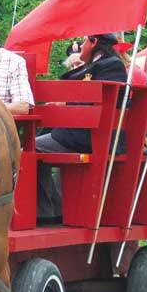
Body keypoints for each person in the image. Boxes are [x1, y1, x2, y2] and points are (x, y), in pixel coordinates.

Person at [35, 33, 128, 223]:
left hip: (91, 137)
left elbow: (103, 102)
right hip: (79, 133)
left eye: (85, 41)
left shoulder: (111, 65)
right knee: (32, 143)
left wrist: (64, 104)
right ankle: (52, 209)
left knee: (29, 150)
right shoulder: (97, 65)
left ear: (94, 43)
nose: (81, 45)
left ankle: (46, 213)